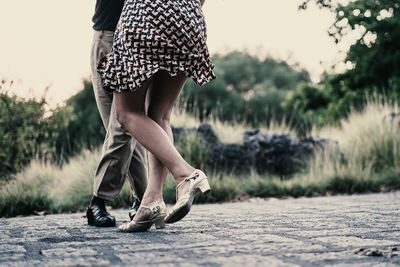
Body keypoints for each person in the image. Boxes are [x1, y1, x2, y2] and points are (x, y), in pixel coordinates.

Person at [97, 0, 215, 232]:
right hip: (188, 18)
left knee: (127, 112)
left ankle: (186, 174)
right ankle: (151, 202)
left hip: (144, 16)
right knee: (160, 116)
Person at [87, 0, 148, 227]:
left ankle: (103, 201)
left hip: (136, 42)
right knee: (123, 127)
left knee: (126, 125)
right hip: (109, 39)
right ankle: (142, 201)